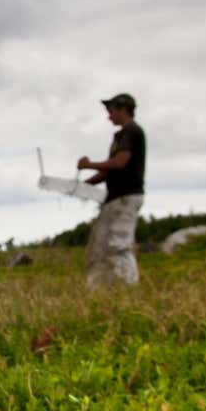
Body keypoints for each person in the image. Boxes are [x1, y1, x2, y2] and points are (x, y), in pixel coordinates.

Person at [76, 93, 146, 288]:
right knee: (100, 244)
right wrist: (82, 186)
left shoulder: (131, 132)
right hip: (115, 198)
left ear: (123, 109)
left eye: (112, 111)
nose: (109, 116)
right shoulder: (121, 135)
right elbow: (109, 172)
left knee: (118, 244)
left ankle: (129, 285)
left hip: (126, 196)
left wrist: (89, 165)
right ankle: (102, 288)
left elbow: (119, 163)